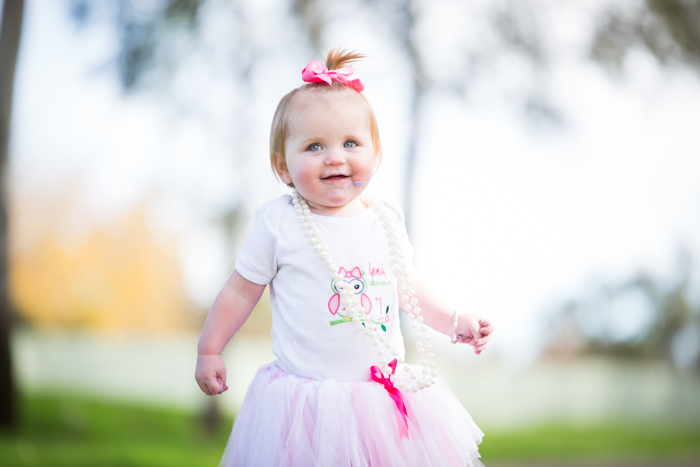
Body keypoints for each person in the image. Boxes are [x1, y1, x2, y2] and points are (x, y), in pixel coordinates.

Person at [195, 49, 494, 467]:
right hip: (304, 407)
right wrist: (210, 349)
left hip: (379, 403)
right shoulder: (279, 223)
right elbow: (240, 293)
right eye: (314, 146)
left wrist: (451, 321)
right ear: (283, 167)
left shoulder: (384, 218)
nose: (335, 156)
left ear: (375, 154)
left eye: (350, 143)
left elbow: (405, 284)